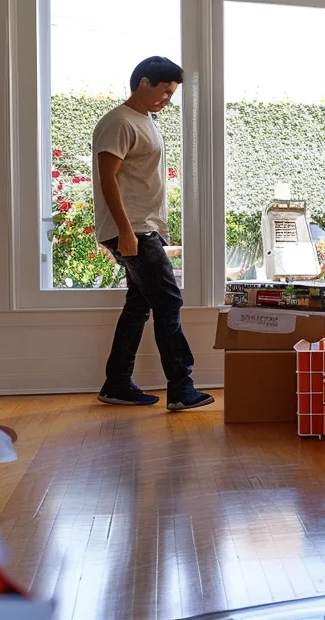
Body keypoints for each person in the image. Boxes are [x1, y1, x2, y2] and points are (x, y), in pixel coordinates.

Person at [93, 56, 214, 411]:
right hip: (134, 230)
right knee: (169, 301)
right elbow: (107, 179)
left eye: (172, 94)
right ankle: (181, 387)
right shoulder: (119, 121)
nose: (167, 99)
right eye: (165, 91)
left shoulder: (146, 120)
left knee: (138, 305)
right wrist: (126, 232)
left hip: (146, 228)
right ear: (144, 82)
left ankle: (116, 383)